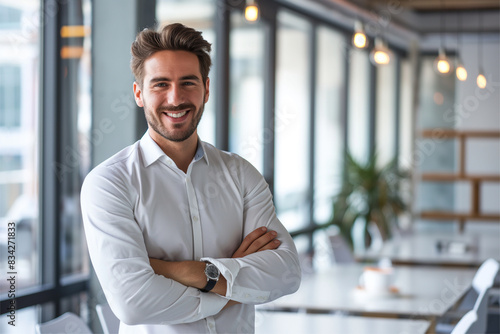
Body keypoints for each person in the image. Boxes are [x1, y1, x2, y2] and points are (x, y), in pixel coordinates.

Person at [81, 23, 301, 334]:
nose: (175, 98)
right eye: (160, 84)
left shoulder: (241, 174)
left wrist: (178, 272)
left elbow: (287, 273)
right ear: (138, 94)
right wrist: (229, 285)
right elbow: (133, 303)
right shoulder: (109, 183)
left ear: (206, 89)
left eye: (188, 83)